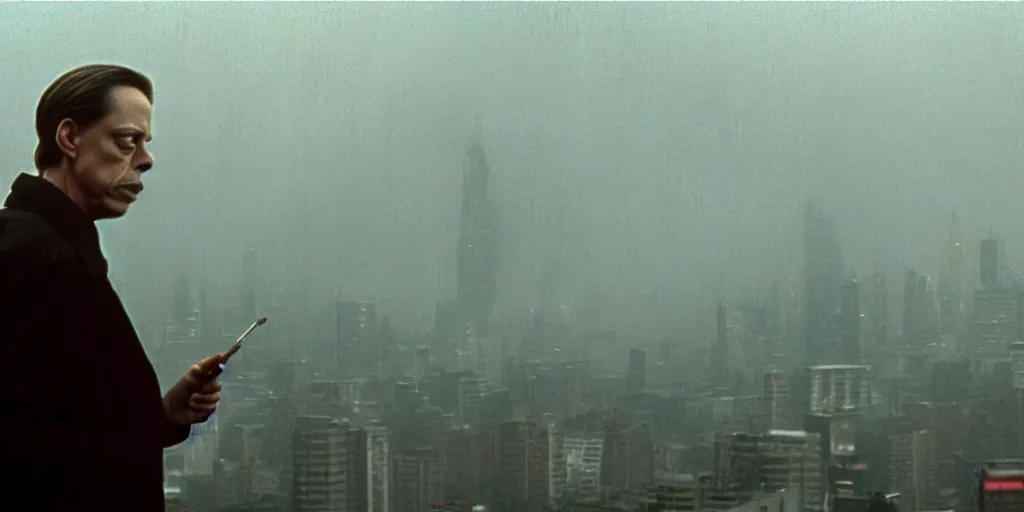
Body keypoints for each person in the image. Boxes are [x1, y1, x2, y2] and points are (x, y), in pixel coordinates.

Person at [0, 64, 225, 510]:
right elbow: (16, 442)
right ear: (69, 139)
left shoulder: (55, 248)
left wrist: (159, 418)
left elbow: (60, 422)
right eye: (128, 141)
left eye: (145, 143)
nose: (146, 159)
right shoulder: (34, 254)